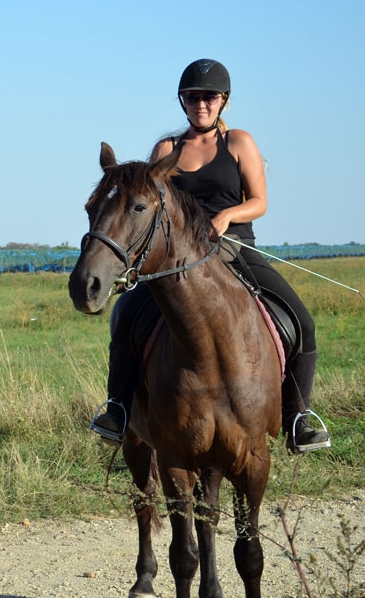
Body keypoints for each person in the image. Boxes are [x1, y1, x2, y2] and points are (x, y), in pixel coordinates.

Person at [90, 58, 330, 453]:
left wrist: (227, 216)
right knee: (126, 316)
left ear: (223, 101)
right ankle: (118, 408)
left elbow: (259, 201)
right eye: (192, 97)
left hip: (234, 248)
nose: (201, 104)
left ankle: (297, 417)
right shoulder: (167, 148)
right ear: (183, 102)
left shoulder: (239, 142)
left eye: (209, 97)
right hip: (176, 259)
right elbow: (151, 201)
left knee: (300, 320)